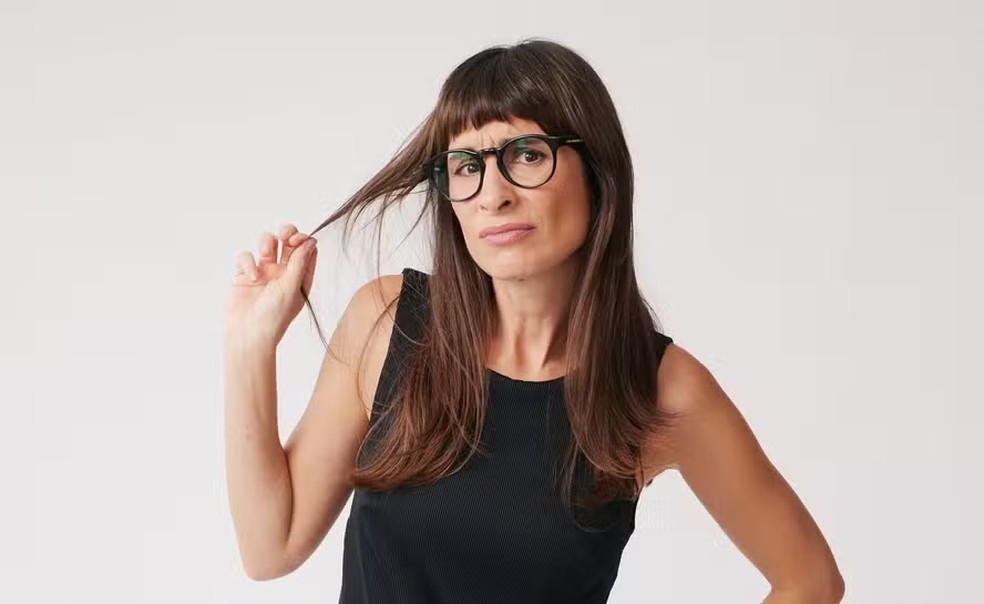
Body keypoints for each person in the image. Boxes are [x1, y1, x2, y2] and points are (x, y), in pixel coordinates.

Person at [222, 39, 844, 603]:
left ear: (596, 174)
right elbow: (270, 547)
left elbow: (810, 580)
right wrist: (249, 348)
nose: (494, 194)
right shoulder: (388, 324)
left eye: (526, 155)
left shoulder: (659, 389)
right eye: (467, 166)